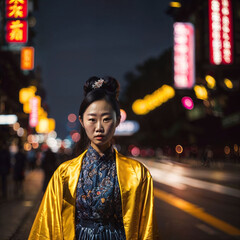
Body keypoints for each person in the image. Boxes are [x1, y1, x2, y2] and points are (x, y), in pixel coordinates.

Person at [29, 76, 159, 239]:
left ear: (118, 120)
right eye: (92, 119)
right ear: (82, 121)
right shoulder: (64, 174)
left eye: (106, 119)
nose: (99, 127)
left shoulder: (138, 174)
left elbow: (147, 230)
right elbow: (47, 227)